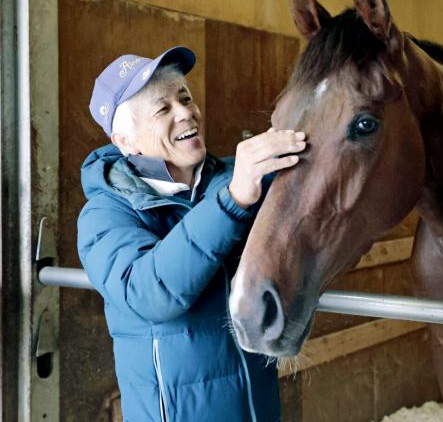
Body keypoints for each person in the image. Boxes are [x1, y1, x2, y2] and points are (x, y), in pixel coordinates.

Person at [77, 46, 306, 421]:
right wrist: (232, 201)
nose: (186, 112)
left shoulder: (238, 177)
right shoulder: (105, 214)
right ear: (125, 142)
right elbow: (149, 293)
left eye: (185, 97)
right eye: (162, 109)